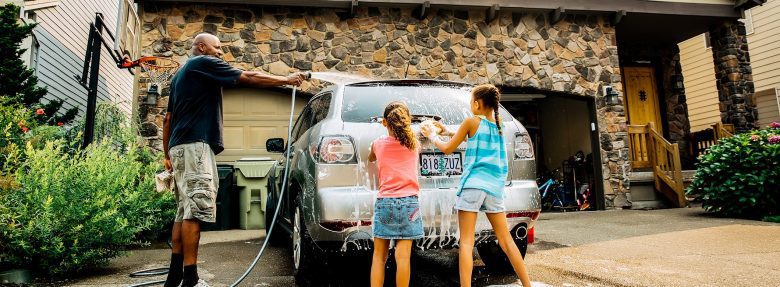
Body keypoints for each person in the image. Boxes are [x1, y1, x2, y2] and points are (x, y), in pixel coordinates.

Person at [162, 33, 306, 287]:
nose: (220, 52)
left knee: (183, 211)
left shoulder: (180, 74)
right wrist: (286, 79)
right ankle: (191, 280)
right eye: (217, 47)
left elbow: (167, 119)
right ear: (202, 47)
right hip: (195, 146)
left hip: (179, 147)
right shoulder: (201, 63)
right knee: (195, 212)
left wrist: (167, 155)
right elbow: (247, 77)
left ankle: (174, 277)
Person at [421, 84, 532, 287]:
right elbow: (472, 134)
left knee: (466, 242)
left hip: (472, 187)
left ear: (476, 103)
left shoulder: (470, 122)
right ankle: (527, 284)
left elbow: (447, 148)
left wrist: (432, 135)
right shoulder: (500, 126)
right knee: (506, 241)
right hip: (494, 190)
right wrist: (448, 130)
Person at [367, 101, 423, 287]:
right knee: (403, 257)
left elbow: (370, 157)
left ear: (385, 123)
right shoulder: (414, 144)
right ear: (407, 122)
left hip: (385, 202)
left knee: (379, 256)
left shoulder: (378, 144)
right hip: (410, 203)